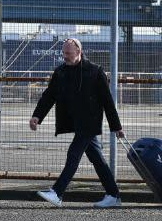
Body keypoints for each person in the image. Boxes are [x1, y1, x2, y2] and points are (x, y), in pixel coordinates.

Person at [30, 38, 125, 209]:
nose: (65, 56)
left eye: (68, 53)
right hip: (75, 122)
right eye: (63, 53)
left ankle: (57, 193)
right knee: (97, 159)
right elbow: (49, 96)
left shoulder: (95, 71)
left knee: (73, 154)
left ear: (78, 52)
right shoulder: (60, 72)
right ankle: (113, 195)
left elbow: (107, 101)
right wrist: (37, 116)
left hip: (90, 122)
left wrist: (116, 126)